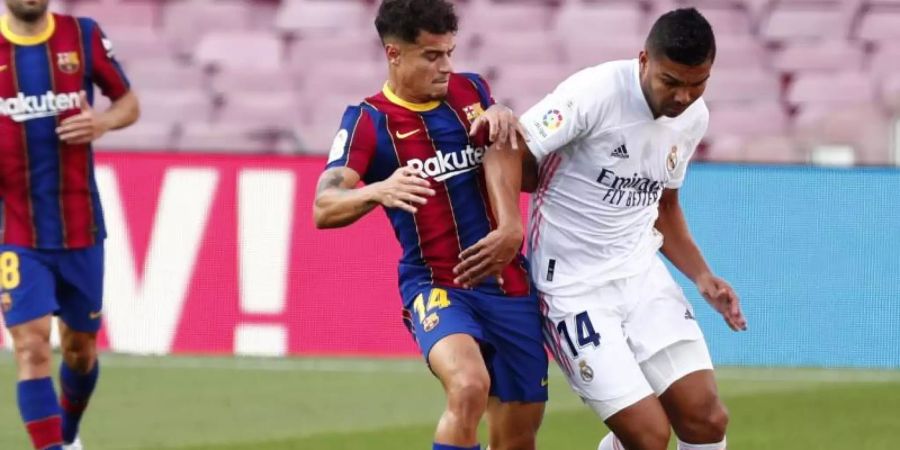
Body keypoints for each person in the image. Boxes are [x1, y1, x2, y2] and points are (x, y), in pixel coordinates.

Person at [313, 1, 546, 449]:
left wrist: (505, 120)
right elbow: (324, 206)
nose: (446, 67)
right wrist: (375, 190)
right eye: (432, 56)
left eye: (450, 53)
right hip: (437, 284)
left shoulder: (473, 91)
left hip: (509, 283)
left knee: (517, 436)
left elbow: (527, 176)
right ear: (394, 54)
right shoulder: (368, 120)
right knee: (468, 385)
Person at [517, 8, 746, 450]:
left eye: (697, 84)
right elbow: (511, 151)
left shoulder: (694, 118)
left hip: (640, 275)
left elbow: (664, 203)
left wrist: (702, 276)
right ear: (644, 60)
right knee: (648, 435)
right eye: (671, 82)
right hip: (572, 286)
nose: (683, 97)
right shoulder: (594, 93)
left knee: (707, 419)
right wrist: (511, 227)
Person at [0, 1, 140, 449]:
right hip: (16, 231)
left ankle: (70, 430)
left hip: (80, 226)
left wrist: (102, 122)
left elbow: (129, 103)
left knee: (80, 352)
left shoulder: (81, 36)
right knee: (31, 348)